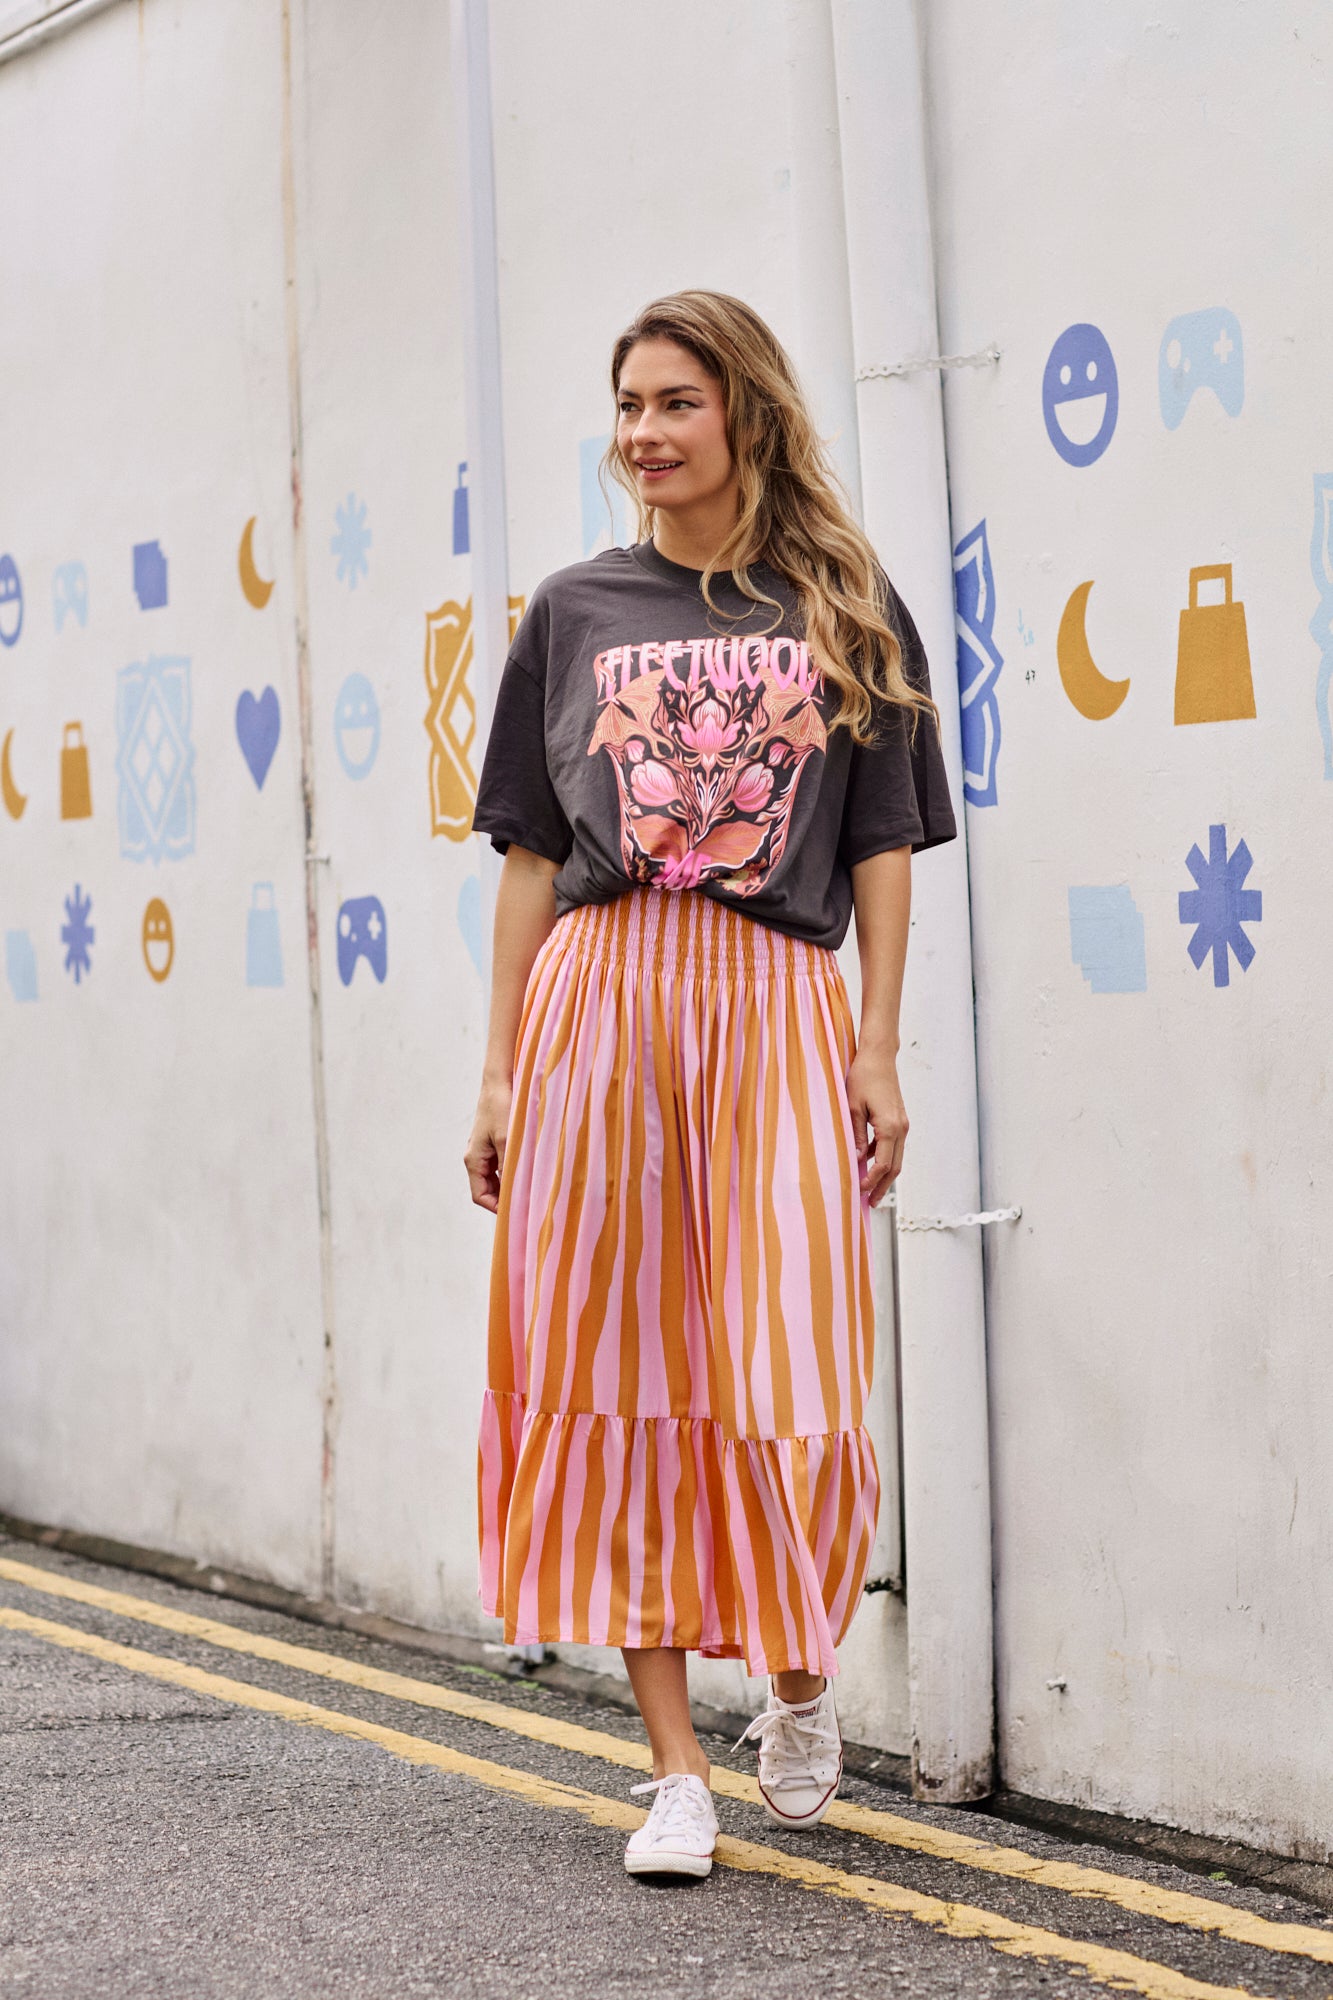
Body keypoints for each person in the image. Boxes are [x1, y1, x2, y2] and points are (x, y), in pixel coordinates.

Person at [464, 289, 956, 1881]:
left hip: (773, 1004)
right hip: (601, 998)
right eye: (628, 405)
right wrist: (498, 1071)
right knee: (615, 1363)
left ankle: (798, 1670)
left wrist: (875, 1043)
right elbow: (529, 854)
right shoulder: (573, 609)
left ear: (744, 411)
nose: (645, 434)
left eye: (676, 402)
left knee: (788, 1360)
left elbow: (881, 840)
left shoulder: (840, 597)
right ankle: (672, 1769)